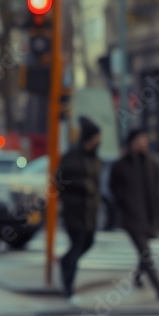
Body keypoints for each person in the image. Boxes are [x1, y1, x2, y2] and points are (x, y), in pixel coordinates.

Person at [108, 128, 159, 300]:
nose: (144, 144)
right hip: (131, 217)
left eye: (145, 140)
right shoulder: (120, 165)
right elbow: (113, 188)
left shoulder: (152, 164)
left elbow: (156, 192)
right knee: (146, 252)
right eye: (140, 140)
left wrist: (157, 216)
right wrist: (124, 205)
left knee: (144, 251)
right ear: (131, 142)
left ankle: (137, 276)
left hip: (149, 215)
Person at [57, 116, 103, 299]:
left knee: (88, 242)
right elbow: (59, 181)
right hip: (74, 212)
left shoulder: (95, 159)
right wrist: (81, 185)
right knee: (77, 245)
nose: (99, 141)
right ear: (90, 138)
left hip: (89, 212)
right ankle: (68, 284)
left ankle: (65, 262)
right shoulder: (72, 157)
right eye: (97, 137)